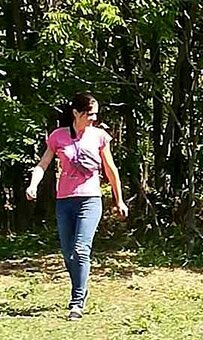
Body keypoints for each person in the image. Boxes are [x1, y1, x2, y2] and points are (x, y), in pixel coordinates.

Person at [25, 93, 128, 321]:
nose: (94, 118)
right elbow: (43, 164)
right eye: (90, 113)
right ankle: (80, 285)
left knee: (81, 250)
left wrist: (118, 199)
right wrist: (33, 185)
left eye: (95, 114)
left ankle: (77, 302)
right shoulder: (58, 137)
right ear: (76, 113)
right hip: (64, 201)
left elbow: (111, 170)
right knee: (68, 254)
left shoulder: (100, 136)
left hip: (90, 200)